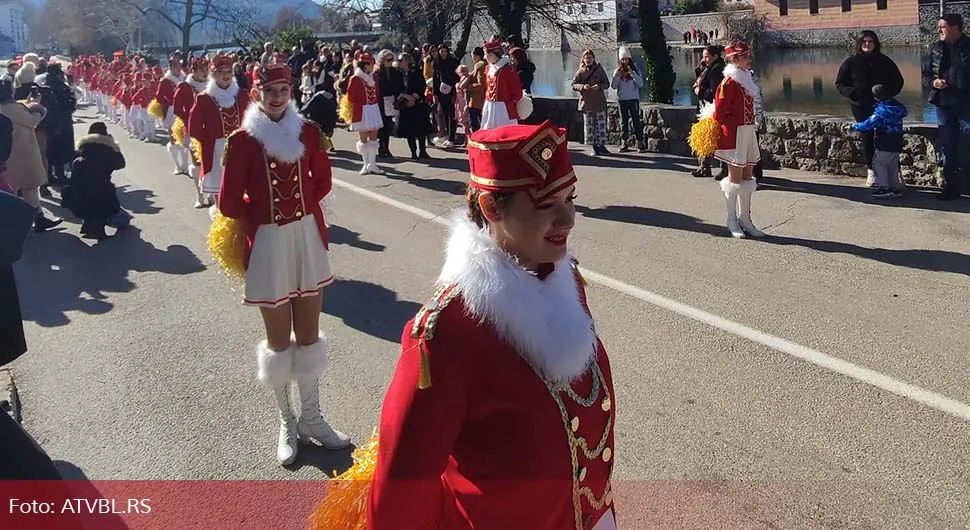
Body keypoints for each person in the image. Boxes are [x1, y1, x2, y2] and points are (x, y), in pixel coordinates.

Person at [363, 120, 615, 530]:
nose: (568, 218)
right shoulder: (444, 335)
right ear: (492, 209)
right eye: (546, 205)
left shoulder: (566, 281)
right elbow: (399, 501)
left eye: (570, 198)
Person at [217, 63, 350, 466]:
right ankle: (287, 420)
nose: (276, 97)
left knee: (309, 334)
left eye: (282, 90)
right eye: (268, 90)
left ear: (290, 92)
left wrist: (302, 206)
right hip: (269, 244)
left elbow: (322, 181)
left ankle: (312, 417)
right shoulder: (241, 141)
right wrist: (261, 209)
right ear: (256, 92)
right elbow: (227, 203)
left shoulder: (309, 132)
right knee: (278, 342)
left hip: (307, 240)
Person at [835, 30, 904, 187]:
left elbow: (898, 81)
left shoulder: (885, 61)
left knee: (887, 137)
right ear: (859, 44)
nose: (867, 44)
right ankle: (871, 170)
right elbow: (840, 83)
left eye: (870, 41)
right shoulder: (851, 62)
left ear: (875, 43)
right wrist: (852, 93)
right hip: (860, 105)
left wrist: (888, 95)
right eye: (864, 41)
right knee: (867, 137)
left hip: (882, 106)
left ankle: (895, 171)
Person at [712, 40, 764, 239]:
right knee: (734, 179)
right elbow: (720, 111)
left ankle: (745, 219)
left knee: (748, 177)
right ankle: (731, 219)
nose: (749, 59)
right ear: (734, 59)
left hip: (748, 132)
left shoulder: (746, 79)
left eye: (749, 55)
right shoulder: (729, 82)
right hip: (734, 135)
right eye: (745, 56)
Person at [187, 53, 249, 208]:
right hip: (216, 149)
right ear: (214, 74)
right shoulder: (204, 98)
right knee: (218, 184)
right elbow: (194, 127)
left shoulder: (242, 95)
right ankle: (221, 215)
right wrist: (208, 141)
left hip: (240, 146)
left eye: (229, 72)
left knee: (241, 181)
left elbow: (252, 118)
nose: (226, 75)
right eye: (221, 72)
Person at [0, 80, 61, 232]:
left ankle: (38, 217)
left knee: (23, 189)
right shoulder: (11, 109)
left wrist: (28, 102)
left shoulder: (9, 108)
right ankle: (19, 224)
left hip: (9, 156)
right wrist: (37, 105)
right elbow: (33, 119)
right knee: (25, 188)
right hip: (20, 154)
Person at [923, 13, 970, 200]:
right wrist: (934, 83)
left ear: (955, 28)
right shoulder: (936, 49)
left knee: (967, 141)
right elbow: (926, 75)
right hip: (944, 104)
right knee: (948, 147)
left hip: (966, 103)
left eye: (942, 27)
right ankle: (951, 187)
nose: (938, 31)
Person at [63, 122, 126, 239]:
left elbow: (71, 166)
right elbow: (121, 164)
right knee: (104, 197)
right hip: (102, 192)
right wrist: (115, 146)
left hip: (78, 196)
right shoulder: (109, 149)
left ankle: (88, 225)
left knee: (87, 193)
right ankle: (98, 228)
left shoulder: (81, 148)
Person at [850, 84, 908, 199]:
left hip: (884, 140)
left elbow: (868, 125)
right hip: (897, 139)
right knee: (892, 164)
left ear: (876, 98)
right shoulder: (897, 107)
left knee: (879, 164)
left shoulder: (881, 112)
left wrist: (854, 127)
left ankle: (884, 188)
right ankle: (895, 187)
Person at [346, 51, 384, 175]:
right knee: (363, 139)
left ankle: (373, 164)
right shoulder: (355, 79)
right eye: (371, 64)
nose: (373, 66)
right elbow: (350, 97)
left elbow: (377, 93)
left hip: (373, 109)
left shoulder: (375, 77)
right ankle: (365, 164)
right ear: (365, 65)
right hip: (362, 110)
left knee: (374, 137)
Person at [172, 57, 208, 179]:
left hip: (212, 130)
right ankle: (200, 194)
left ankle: (212, 193)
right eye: (201, 70)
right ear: (194, 71)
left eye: (206, 69)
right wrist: (189, 118)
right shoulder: (184, 86)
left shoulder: (214, 87)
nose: (205, 72)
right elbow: (177, 109)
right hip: (193, 129)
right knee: (197, 163)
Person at [693, 45, 726, 178]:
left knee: (714, 138)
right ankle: (704, 166)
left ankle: (720, 168)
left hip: (710, 108)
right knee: (704, 138)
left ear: (715, 56)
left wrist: (699, 91)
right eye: (704, 56)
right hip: (705, 108)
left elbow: (714, 93)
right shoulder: (710, 68)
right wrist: (700, 69)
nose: (704, 59)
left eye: (707, 56)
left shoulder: (717, 70)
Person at [150, 56, 186, 174]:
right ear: (170, 67)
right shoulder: (165, 81)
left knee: (185, 138)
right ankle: (177, 165)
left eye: (179, 66)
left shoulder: (185, 79)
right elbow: (159, 97)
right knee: (173, 138)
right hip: (171, 111)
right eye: (175, 66)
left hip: (184, 110)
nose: (178, 68)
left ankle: (185, 165)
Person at [394, 53, 434, 159]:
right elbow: (396, 88)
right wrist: (404, 97)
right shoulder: (398, 73)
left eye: (401, 60)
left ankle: (422, 151)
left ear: (407, 61)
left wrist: (414, 97)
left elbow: (421, 85)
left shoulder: (416, 71)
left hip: (417, 104)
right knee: (409, 131)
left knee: (421, 129)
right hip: (405, 104)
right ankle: (413, 152)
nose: (399, 62)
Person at [572, 49, 611, 156]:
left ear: (593, 58)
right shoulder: (580, 71)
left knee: (601, 125)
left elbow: (607, 83)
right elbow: (574, 84)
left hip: (599, 102)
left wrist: (599, 86)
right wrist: (583, 87)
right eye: (586, 58)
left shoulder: (599, 70)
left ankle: (602, 146)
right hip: (587, 103)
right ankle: (594, 147)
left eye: (590, 58)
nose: (588, 60)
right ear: (583, 59)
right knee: (590, 126)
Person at [480, 38, 524, 130]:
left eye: (486, 54)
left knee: (505, 132)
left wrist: (510, 104)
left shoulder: (508, 69)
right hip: (489, 106)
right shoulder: (488, 69)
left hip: (504, 109)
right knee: (488, 131)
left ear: (491, 54)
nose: (484, 57)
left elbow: (517, 92)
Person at [612, 46, 645, 153]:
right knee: (623, 122)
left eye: (626, 59)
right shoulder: (617, 71)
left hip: (633, 99)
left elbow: (640, 84)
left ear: (629, 59)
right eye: (622, 59)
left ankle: (640, 142)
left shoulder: (636, 69)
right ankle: (624, 142)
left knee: (636, 121)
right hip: (622, 100)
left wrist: (633, 74)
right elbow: (613, 86)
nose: (624, 61)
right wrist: (617, 76)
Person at [465, 47, 486, 133]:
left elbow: (481, 84)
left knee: (475, 123)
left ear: (477, 56)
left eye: (473, 56)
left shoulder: (480, 66)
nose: (472, 58)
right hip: (481, 99)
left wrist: (469, 86)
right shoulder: (484, 64)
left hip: (476, 99)